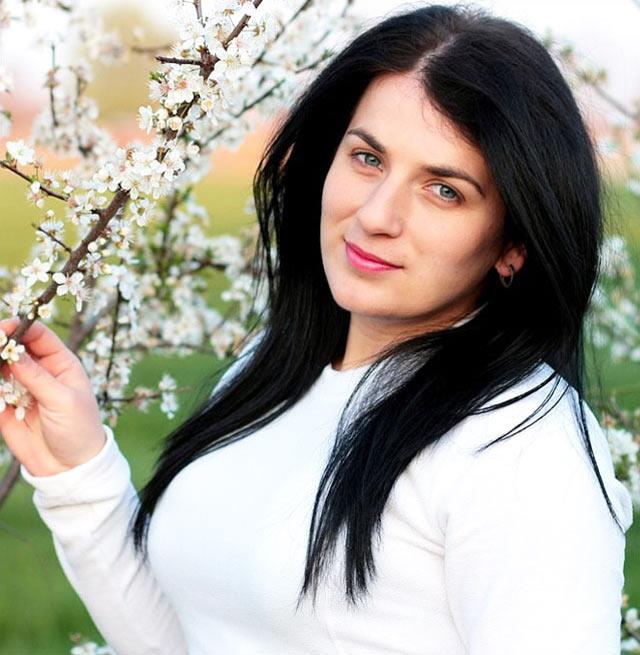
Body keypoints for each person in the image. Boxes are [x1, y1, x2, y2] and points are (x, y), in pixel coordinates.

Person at [0, 3, 634, 654]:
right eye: (367, 158)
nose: (377, 214)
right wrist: (75, 471)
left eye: (443, 190)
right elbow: (193, 640)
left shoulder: (521, 451)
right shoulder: (271, 369)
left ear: (514, 243)